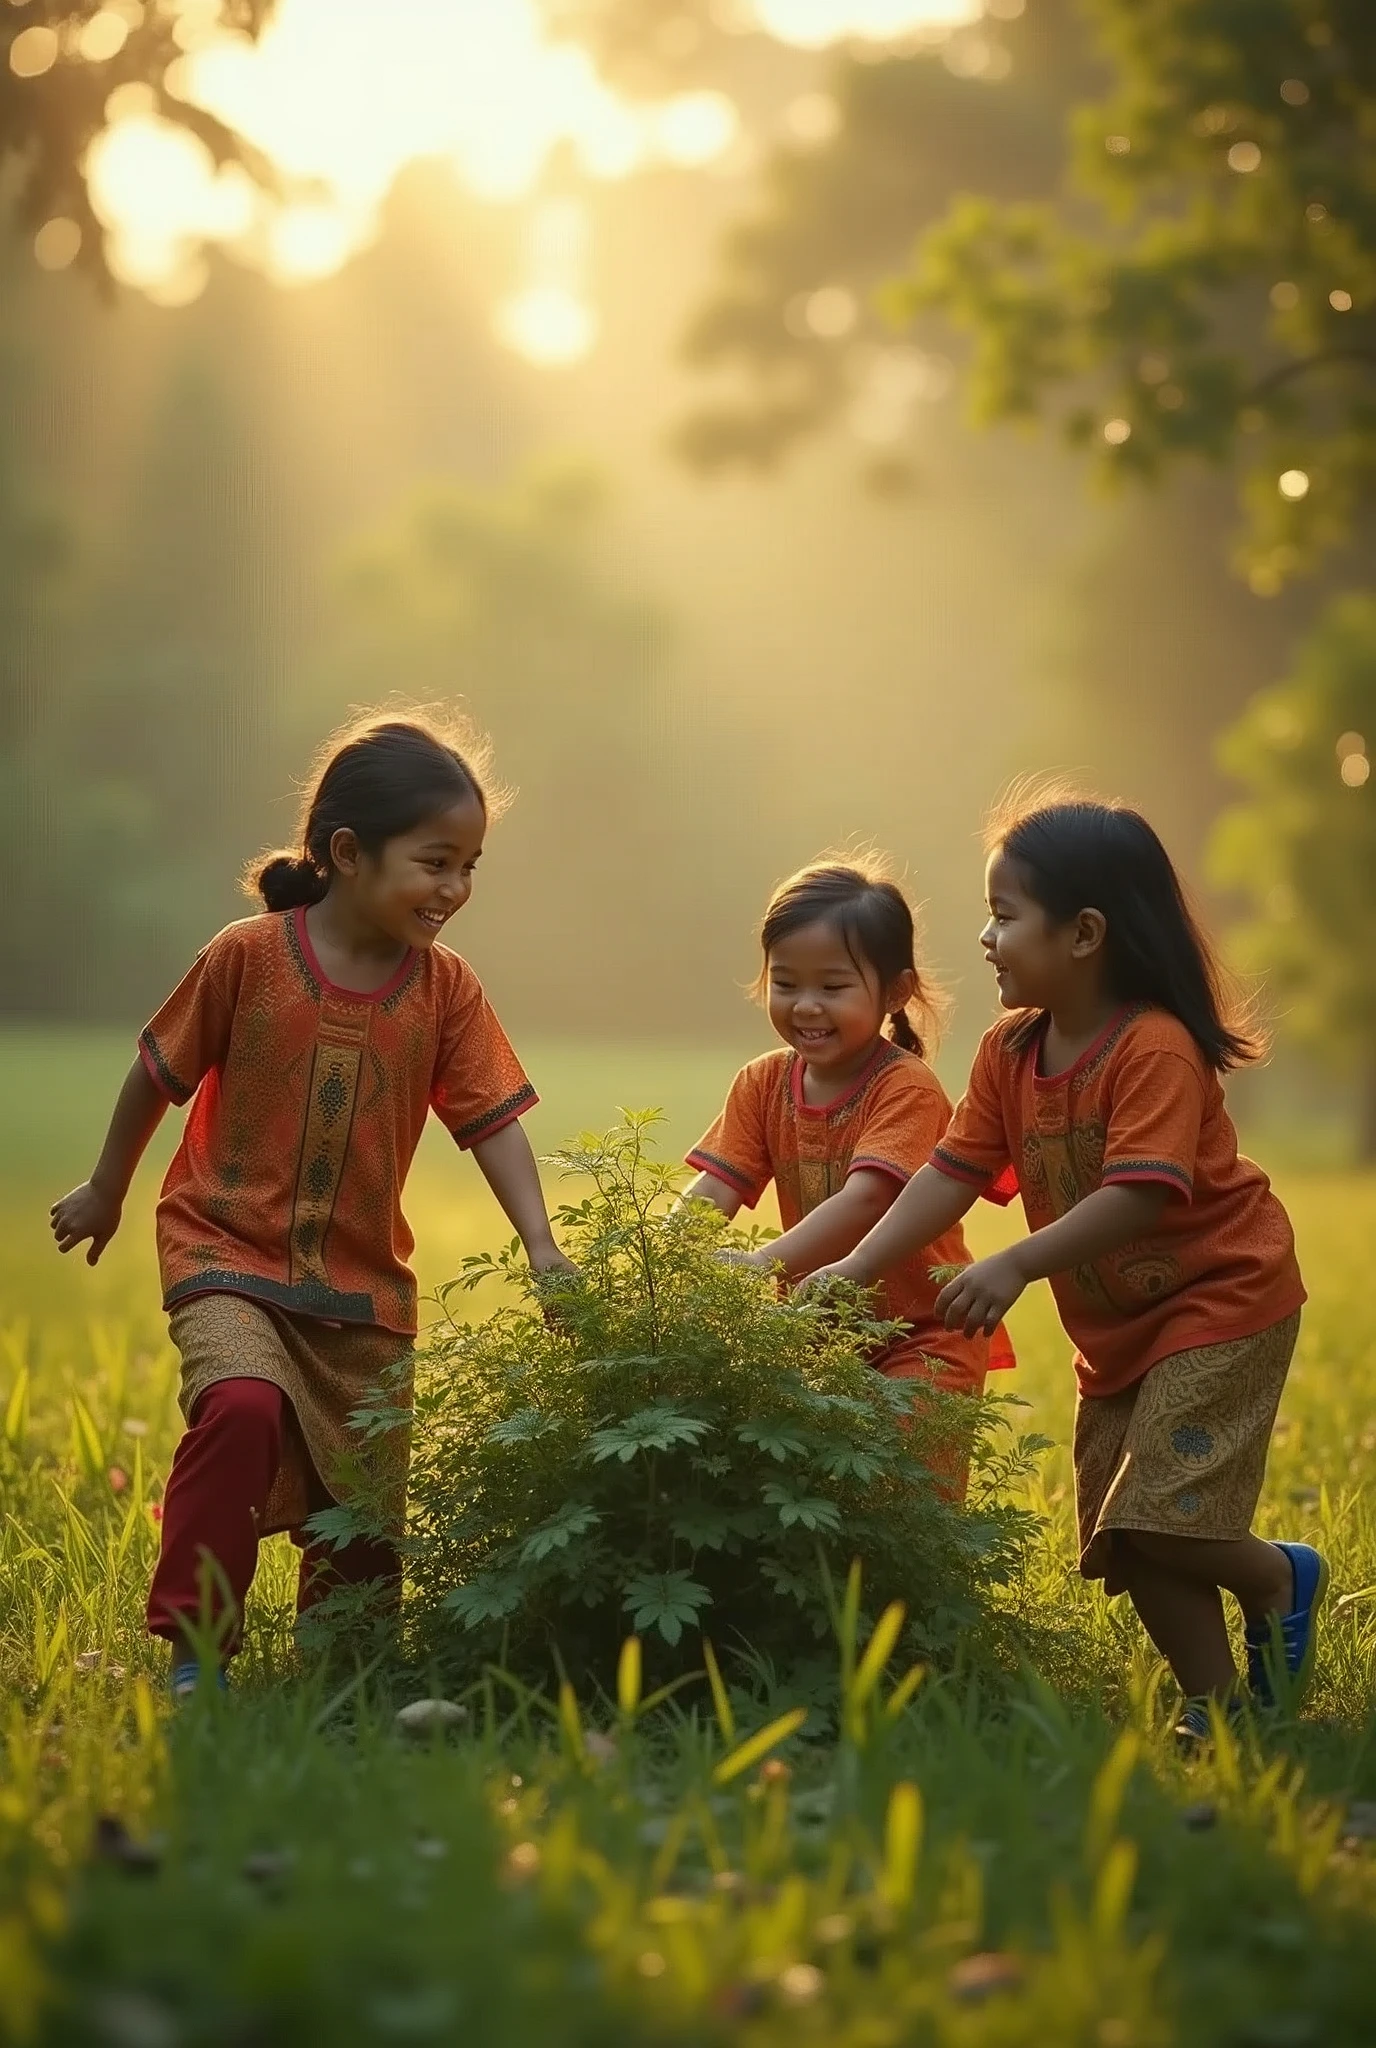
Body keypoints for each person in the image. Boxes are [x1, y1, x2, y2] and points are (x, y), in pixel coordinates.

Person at [50, 713, 574, 1697]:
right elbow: (154, 1073)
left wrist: (541, 1243)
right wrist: (107, 1187)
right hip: (223, 1250)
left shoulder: (446, 990)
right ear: (346, 852)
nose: (455, 889)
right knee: (241, 1406)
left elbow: (492, 1118)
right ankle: (196, 1651)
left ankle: (348, 1666)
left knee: (365, 1492)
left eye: (470, 865)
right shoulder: (246, 956)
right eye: (434, 862)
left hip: (361, 1286)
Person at [800, 796, 1322, 1742]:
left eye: (1005, 915)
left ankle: (1278, 1577)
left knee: (1165, 1517)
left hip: (1221, 1297)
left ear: (1084, 933)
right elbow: (949, 1174)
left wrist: (1018, 1266)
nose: (987, 937)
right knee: (1125, 1540)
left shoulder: (1153, 1048)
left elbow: (1142, 1194)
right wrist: (856, 1266)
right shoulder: (1009, 1052)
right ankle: (1221, 1712)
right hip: (1119, 1331)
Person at [682, 859, 1014, 1499]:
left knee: (904, 1499)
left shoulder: (905, 1087)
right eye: (786, 983)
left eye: (833, 987)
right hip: (820, 1331)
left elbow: (869, 1198)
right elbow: (712, 1194)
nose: (806, 1006)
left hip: (923, 1333)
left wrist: (761, 1264)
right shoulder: (762, 1082)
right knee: (816, 1499)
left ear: (895, 992)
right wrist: (658, 1259)